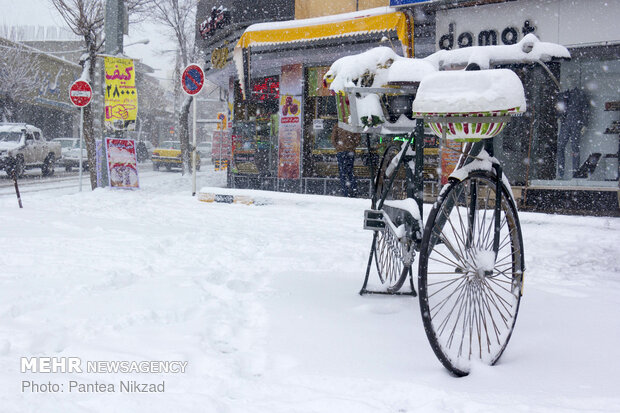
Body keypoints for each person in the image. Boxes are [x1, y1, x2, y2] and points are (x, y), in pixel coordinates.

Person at [331, 125, 361, 197]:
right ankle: (353, 191)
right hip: (350, 151)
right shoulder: (352, 124)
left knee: (342, 173)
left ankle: (345, 192)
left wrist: (338, 147)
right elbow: (358, 138)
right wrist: (352, 146)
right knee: (350, 172)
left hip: (341, 152)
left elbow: (333, 139)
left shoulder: (338, 124)